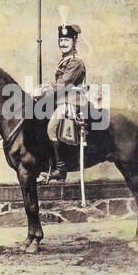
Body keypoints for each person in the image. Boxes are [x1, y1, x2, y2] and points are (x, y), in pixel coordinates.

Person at [34, 23, 86, 182]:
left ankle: (61, 169)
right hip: (62, 101)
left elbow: (63, 84)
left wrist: (43, 91)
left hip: (73, 103)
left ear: (74, 41)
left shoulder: (76, 62)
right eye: (61, 40)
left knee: (51, 128)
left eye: (67, 40)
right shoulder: (65, 60)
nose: (63, 43)